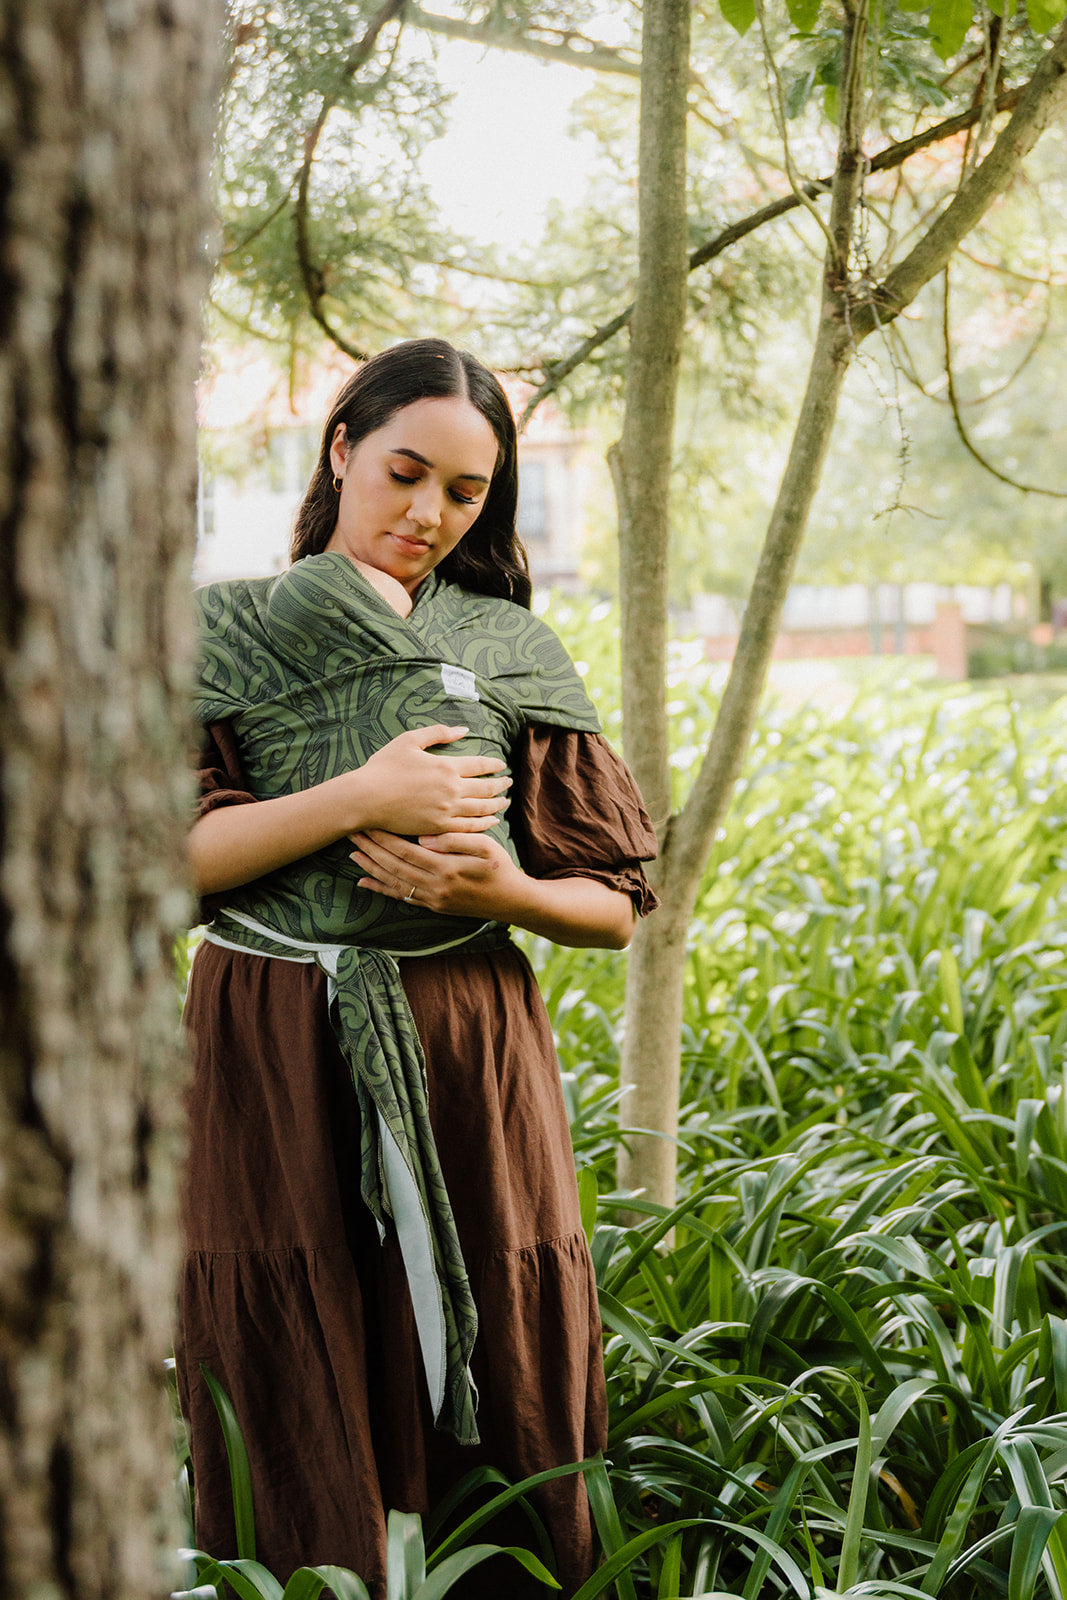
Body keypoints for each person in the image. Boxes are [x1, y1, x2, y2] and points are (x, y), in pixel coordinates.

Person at [177, 338, 658, 1600]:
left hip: (463, 1032)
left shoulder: (506, 646)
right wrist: (362, 794)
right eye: (403, 472)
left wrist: (495, 889)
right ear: (340, 450)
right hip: (272, 1031)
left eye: (463, 493)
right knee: (290, 1314)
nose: (426, 514)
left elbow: (609, 908)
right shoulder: (222, 633)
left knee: (489, 1330)